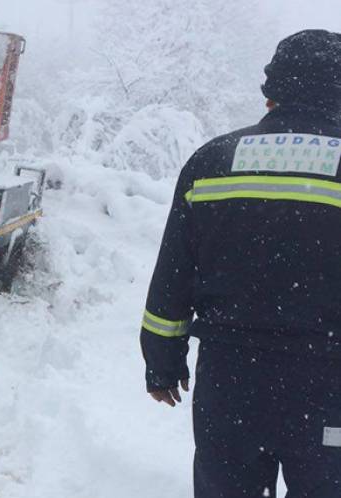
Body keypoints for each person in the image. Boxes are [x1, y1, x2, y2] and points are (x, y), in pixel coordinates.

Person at [141, 30, 341, 497]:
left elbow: (173, 274)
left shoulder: (212, 161)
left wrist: (162, 361)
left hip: (230, 382)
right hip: (329, 384)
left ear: (271, 90)